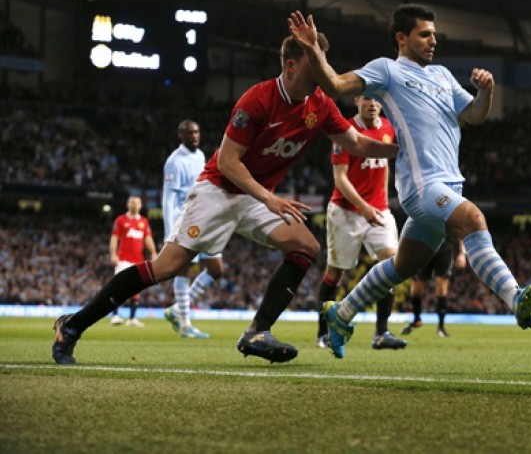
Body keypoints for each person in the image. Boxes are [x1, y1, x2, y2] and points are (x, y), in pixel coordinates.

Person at [52, 32, 399, 365]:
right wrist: (269, 198)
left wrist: (405, 150)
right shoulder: (258, 99)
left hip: (255, 197)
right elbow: (227, 162)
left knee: (305, 247)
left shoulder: (320, 104)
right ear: (291, 66)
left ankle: (258, 333)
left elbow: (358, 143)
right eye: (316, 64)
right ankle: (72, 325)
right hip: (219, 190)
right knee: (168, 267)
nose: (324, 73)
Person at [288, 5, 531, 359]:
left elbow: (474, 115)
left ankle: (340, 313)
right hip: (422, 187)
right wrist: (313, 48)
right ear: (401, 38)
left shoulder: (442, 75)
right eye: (425, 34)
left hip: (449, 185)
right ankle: (515, 298)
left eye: (435, 34)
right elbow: (335, 84)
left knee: (401, 267)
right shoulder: (387, 70)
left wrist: (486, 91)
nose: (433, 40)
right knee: (474, 220)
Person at [316, 95, 407, 351]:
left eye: (377, 100)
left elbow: (385, 166)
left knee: (392, 264)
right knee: (335, 272)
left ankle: (381, 333)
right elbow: (340, 179)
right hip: (346, 212)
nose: (373, 104)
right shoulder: (344, 131)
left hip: (378, 210)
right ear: (357, 100)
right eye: (367, 98)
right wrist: (364, 206)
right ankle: (323, 332)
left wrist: (382, 200)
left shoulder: (389, 128)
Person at [161, 119, 225, 339]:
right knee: (185, 269)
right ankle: (186, 324)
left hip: (205, 216)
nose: (195, 136)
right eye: (189, 133)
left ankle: (176, 310)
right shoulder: (174, 161)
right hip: (185, 220)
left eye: (197, 132)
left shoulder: (199, 156)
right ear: (181, 136)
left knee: (216, 269)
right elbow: (168, 198)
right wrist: (170, 230)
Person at [108, 195, 157, 327]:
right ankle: (115, 316)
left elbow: (148, 239)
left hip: (138, 261)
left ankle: (132, 318)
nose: (134, 204)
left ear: (140, 205)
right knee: (118, 287)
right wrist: (113, 254)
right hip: (123, 259)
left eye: (137, 202)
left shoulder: (144, 222)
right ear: (128, 204)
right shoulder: (121, 220)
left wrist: (153, 252)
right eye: (132, 202)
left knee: (136, 289)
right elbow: (114, 238)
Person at [401, 238, 466, 338]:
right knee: (416, 289)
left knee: (441, 288)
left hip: (445, 248)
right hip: (423, 247)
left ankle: (441, 327)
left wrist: (462, 253)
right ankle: (416, 319)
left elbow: (459, 228)